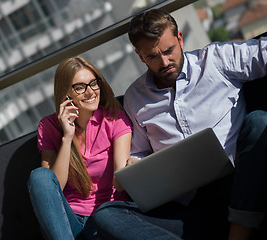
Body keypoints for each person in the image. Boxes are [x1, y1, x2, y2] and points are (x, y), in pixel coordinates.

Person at [93, 8, 267, 240]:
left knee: (259, 122)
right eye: (153, 57)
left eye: (169, 51)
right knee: (106, 214)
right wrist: (136, 164)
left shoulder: (216, 60)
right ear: (140, 56)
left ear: (180, 39)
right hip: (189, 206)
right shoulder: (136, 96)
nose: (165, 62)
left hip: (240, 184)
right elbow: (139, 152)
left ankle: (238, 234)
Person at [27, 56, 132, 240]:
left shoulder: (115, 118)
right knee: (39, 176)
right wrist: (67, 137)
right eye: (80, 87)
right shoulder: (48, 126)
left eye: (93, 83)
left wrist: (134, 164)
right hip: (68, 224)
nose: (90, 92)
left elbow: (120, 180)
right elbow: (53, 187)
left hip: (108, 216)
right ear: (65, 93)